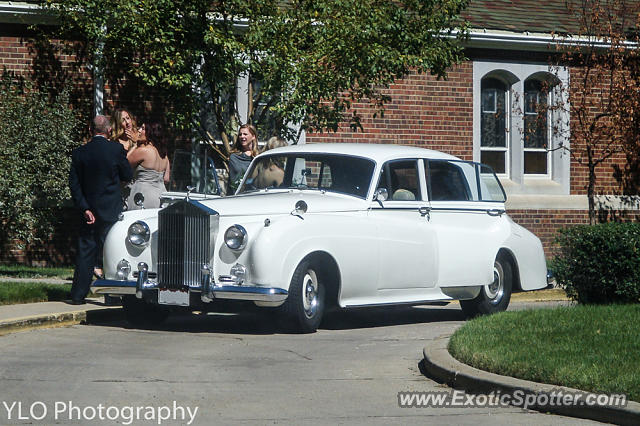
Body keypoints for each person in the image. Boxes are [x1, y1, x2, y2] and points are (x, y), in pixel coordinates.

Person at [69, 115, 133, 304]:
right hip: (110, 209)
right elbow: (127, 175)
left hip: (88, 210)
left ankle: (78, 295)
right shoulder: (116, 150)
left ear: (91, 130)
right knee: (110, 251)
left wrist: (84, 208)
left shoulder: (80, 153)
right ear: (109, 131)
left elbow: (74, 184)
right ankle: (111, 295)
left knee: (85, 252)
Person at [126, 122, 171, 209]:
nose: (139, 131)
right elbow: (166, 179)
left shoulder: (144, 151)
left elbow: (124, 163)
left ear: (150, 132)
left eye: (143, 129)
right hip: (161, 196)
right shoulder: (164, 156)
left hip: (143, 197)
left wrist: (135, 145)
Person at [228, 124, 259, 194]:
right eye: (240, 134)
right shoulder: (234, 157)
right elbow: (234, 181)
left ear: (253, 136)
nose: (242, 136)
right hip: (238, 195)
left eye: (245, 134)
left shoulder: (258, 157)